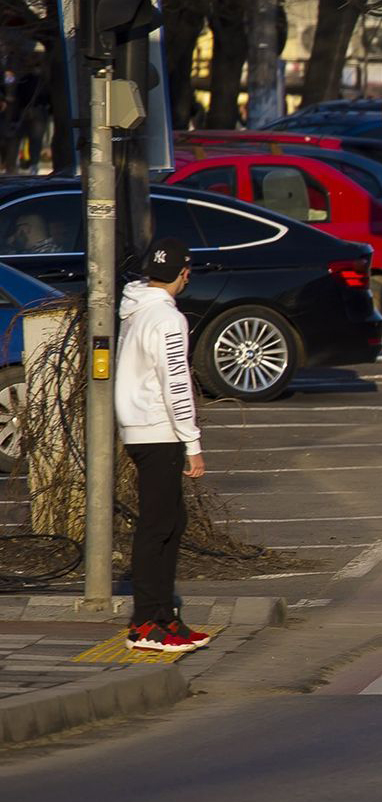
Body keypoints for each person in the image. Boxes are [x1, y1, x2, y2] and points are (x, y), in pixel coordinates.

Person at [115, 237, 210, 653]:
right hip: (159, 431)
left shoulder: (136, 309)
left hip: (140, 428)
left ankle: (164, 617)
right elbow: (176, 383)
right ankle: (147, 624)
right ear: (182, 274)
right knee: (158, 527)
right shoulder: (168, 321)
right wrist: (192, 441)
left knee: (171, 522)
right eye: (187, 271)